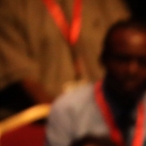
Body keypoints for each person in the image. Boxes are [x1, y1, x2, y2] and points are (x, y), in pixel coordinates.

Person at [0, 0, 128, 107]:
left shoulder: (108, 4)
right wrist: (61, 116)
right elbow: (19, 73)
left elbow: (129, 55)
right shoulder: (13, 5)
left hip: (107, 114)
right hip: (41, 120)